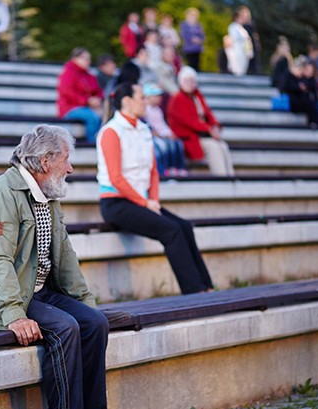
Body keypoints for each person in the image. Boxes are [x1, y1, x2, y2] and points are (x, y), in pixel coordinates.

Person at [0, 124, 135, 409]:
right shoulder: (2, 194)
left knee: (94, 323)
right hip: (1, 300)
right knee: (65, 328)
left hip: (37, 292)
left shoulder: (47, 194)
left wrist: (87, 305)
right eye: (66, 160)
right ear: (44, 160)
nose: (70, 168)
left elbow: (65, 256)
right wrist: (14, 314)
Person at [98, 82, 213, 294]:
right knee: (171, 230)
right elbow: (116, 178)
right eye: (141, 97)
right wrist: (145, 203)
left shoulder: (143, 129)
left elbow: (153, 171)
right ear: (127, 101)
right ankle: (195, 293)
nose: (145, 101)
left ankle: (207, 288)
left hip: (142, 202)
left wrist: (154, 201)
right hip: (116, 204)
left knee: (184, 226)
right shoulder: (111, 132)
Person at [168, 67, 234, 176]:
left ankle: (230, 176)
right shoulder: (178, 99)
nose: (189, 84)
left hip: (202, 134)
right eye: (186, 81)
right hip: (189, 137)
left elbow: (208, 113)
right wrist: (210, 129)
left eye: (192, 80)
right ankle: (222, 178)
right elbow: (190, 122)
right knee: (214, 147)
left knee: (223, 145)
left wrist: (215, 126)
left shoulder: (197, 96)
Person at [57, 47, 103, 144]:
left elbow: (98, 90)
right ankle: (92, 144)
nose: (88, 62)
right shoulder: (68, 73)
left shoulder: (88, 75)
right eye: (85, 59)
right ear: (75, 59)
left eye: (89, 59)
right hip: (70, 108)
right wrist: (87, 101)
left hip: (88, 107)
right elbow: (67, 92)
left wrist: (97, 99)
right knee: (93, 117)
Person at [143, 83, 187, 177]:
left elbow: (162, 125)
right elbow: (151, 127)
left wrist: (169, 133)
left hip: (164, 134)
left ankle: (178, 167)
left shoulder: (158, 110)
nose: (159, 99)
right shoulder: (145, 110)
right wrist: (162, 135)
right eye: (156, 96)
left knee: (178, 143)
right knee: (166, 146)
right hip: (156, 136)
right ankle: (167, 168)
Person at [281, 56, 318, 128]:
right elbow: (286, 87)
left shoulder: (309, 81)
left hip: (302, 102)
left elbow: (314, 94)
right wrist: (298, 86)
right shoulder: (292, 77)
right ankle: (314, 124)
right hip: (294, 103)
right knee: (312, 106)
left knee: (317, 108)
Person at [226, 7, 253, 76]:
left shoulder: (242, 28)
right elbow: (233, 38)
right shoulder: (233, 26)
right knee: (236, 68)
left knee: (242, 69)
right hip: (236, 50)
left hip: (243, 51)